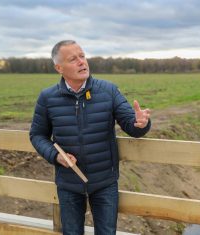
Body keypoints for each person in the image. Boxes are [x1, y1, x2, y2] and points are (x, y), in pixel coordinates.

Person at [30, 40, 151, 235]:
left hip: (104, 182)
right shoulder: (47, 98)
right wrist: (55, 155)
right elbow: (37, 135)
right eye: (73, 59)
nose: (81, 62)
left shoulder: (108, 90)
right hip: (68, 183)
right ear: (59, 68)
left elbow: (132, 126)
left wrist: (141, 123)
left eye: (82, 56)